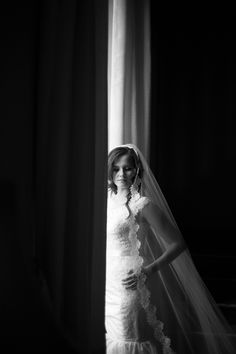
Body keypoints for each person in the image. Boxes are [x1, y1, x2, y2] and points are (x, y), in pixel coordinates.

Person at [105, 144, 236, 354]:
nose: (121, 173)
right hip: (107, 284)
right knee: (111, 337)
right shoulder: (104, 201)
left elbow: (178, 244)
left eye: (127, 168)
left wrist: (148, 270)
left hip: (131, 283)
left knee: (129, 338)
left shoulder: (143, 205)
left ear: (137, 170)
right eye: (116, 168)